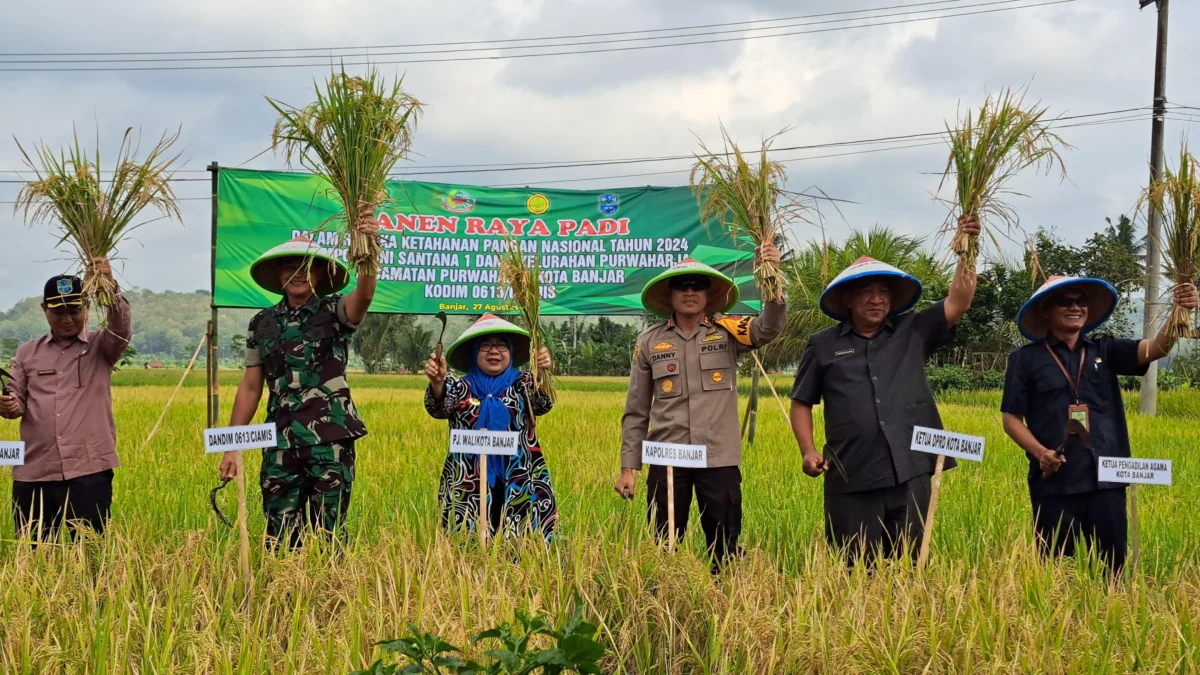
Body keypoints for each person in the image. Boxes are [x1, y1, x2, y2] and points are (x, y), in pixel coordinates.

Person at [789, 217, 980, 565]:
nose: (877, 300)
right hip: (852, 472)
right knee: (855, 569)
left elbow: (959, 302)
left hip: (910, 468)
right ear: (847, 299)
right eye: (866, 292)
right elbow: (801, 402)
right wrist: (807, 450)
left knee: (909, 564)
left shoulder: (913, 330)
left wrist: (967, 250)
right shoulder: (823, 345)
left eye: (884, 292)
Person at [1001, 276, 1197, 574]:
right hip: (1056, 481)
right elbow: (1010, 419)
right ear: (1045, 309)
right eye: (1065, 301)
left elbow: (1158, 348)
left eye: (1081, 301)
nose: (1075, 307)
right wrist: (1041, 453)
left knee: (1113, 570)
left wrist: (1179, 310)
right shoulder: (1025, 359)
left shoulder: (1106, 350)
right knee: (1055, 573)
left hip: (1107, 479)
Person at [615, 245, 785, 571]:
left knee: (725, 547)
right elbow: (636, 410)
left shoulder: (728, 332)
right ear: (670, 294)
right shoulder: (649, 342)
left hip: (718, 459)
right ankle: (667, 608)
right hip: (667, 459)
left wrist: (772, 281)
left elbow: (768, 328)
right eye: (682, 285)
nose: (690, 291)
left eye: (698, 285)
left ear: (709, 293)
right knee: (664, 548)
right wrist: (628, 468)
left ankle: (724, 610)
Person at [219, 211, 378, 550]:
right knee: (279, 538)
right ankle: (285, 599)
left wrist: (368, 250)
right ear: (278, 275)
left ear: (320, 274)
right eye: (289, 266)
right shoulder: (260, 323)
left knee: (328, 536)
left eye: (307, 266)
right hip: (279, 443)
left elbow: (363, 297)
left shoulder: (335, 312)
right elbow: (250, 387)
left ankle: (330, 598)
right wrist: (232, 444)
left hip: (330, 442)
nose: (298, 273)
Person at [0, 260, 131, 541]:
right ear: (44, 310)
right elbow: (16, 402)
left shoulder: (102, 347)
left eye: (75, 310)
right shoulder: (27, 354)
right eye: (59, 312)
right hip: (35, 471)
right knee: (33, 555)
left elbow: (120, 326)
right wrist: (7, 405)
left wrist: (108, 286)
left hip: (88, 469)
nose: (68, 319)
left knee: (89, 554)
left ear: (86, 307)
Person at [424, 314, 557, 541]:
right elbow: (439, 409)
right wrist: (437, 383)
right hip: (468, 480)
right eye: (485, 345)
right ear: (474, 353)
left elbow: (543, 403)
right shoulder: (459, 386)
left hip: (518, 479)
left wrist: (543, 372)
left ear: (511, 353)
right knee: (467, 546)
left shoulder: (523, 383)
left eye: (501, 345)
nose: (493, 351)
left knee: (520, 546)